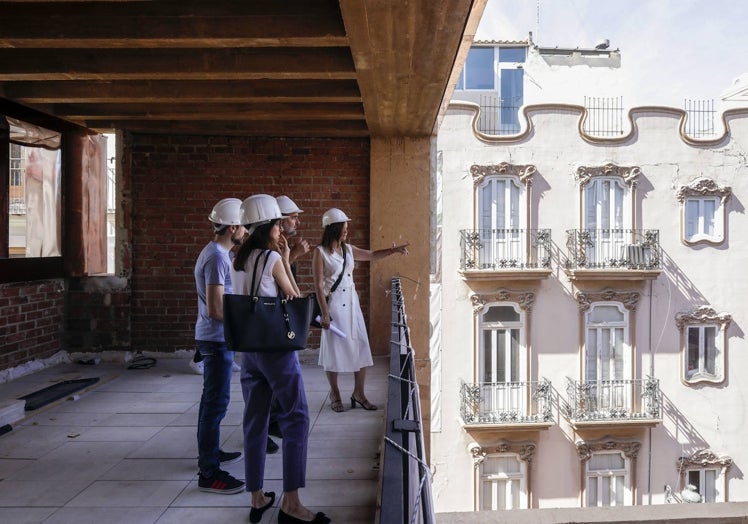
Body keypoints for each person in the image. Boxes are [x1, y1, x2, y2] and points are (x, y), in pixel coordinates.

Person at [231, 194, 331, 524]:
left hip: (250, 351)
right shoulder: (270, 258)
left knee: (255, 420)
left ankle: (257, 497)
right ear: (269, 227)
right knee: (297, 416)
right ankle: (291, 502)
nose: (281, 228)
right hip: (276, 349)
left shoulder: (239, 259)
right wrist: (287, 258)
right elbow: (293, 295)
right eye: (278, 223)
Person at [313, 208, 408, 412]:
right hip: (335, 305)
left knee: (362, 346)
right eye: (344, 229)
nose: (347, 232)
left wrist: (392, 251)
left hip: (352, 303)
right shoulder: (319, 252)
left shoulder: (348, 249)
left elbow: (372, 255)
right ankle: (335, 393)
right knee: (334, 350)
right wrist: (325, 313)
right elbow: (319, 285)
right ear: (334, 229)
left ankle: (359, 393)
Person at [193, 198, 246, 494]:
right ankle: (209, 472)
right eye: (242, 228)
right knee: (216, 404)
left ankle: (209, 454)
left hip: (215, 337)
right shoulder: (216, 257)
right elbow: (215, 308)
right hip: (215, 337)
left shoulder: (218, 254)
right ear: (232, 227)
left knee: (211, 402)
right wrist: (246, 324)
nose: (245, 234)